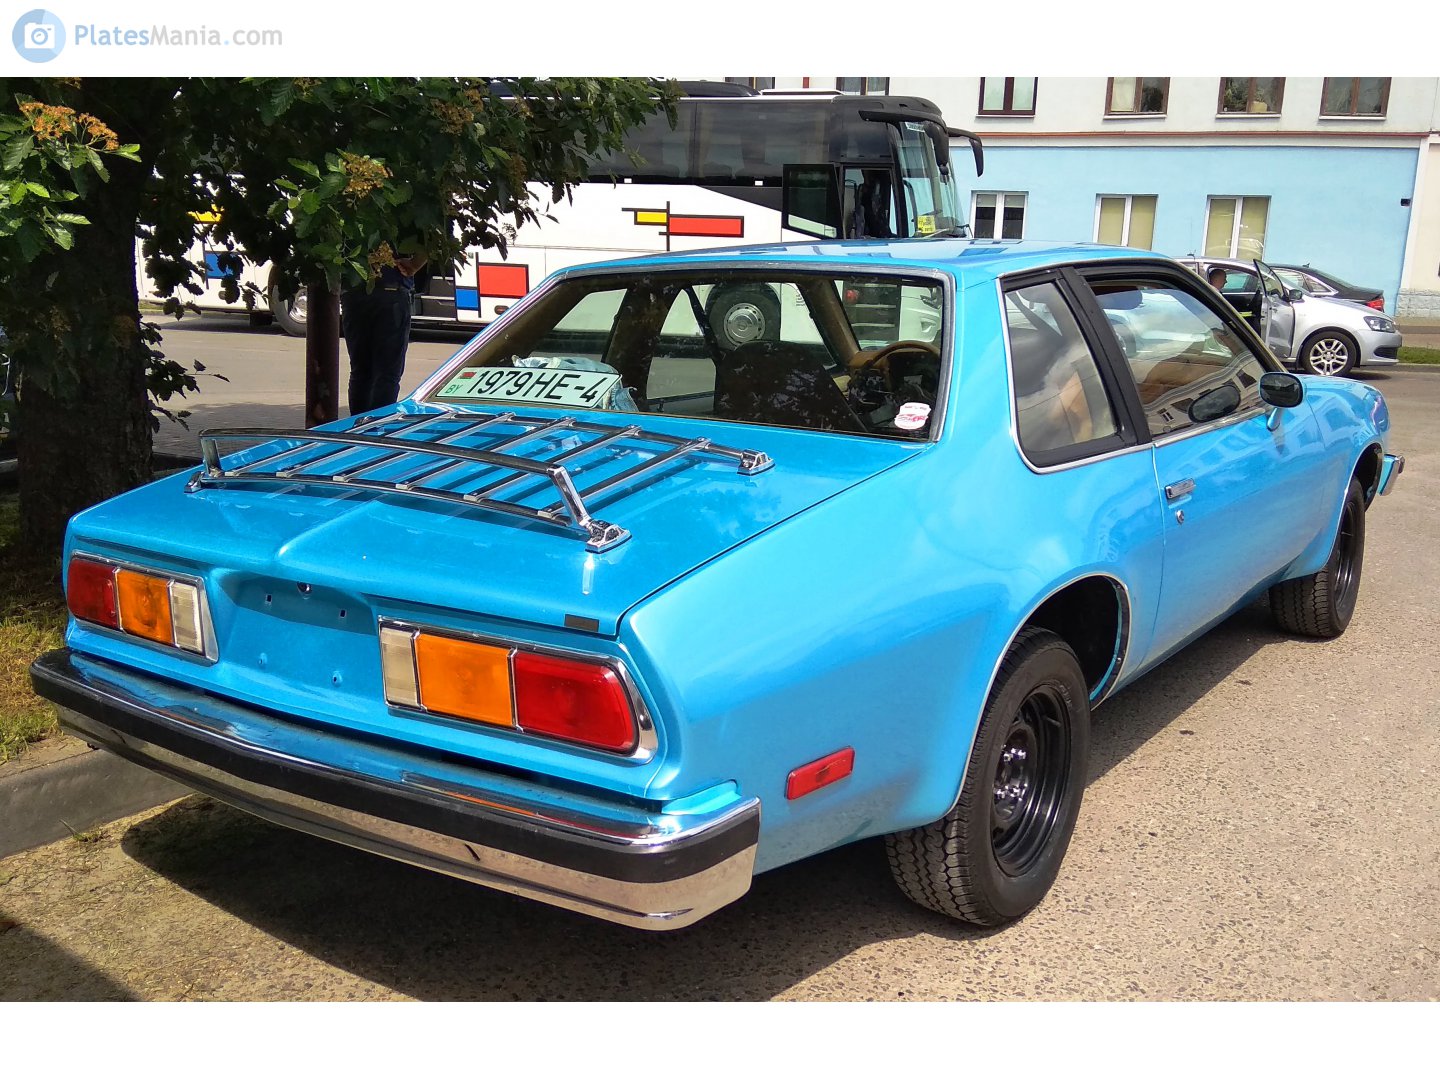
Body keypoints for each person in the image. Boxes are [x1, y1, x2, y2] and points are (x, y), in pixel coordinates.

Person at [342, 245, 427, 416]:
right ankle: (375, 430)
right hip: (392, 292)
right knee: (387, 374)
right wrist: (415, 264)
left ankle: (357, 429)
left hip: (354, 291)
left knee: (361, 371)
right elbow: (435, 239)